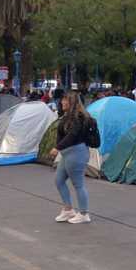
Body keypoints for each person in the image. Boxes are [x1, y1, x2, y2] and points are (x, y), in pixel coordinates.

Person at [47, 92, 93, 224]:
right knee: (59, 180)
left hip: (76, 153)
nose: (62, 102)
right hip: (68, 154)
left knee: (78, 184)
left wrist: (57, 148)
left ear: (71, 102)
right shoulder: (67, 116)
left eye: (65, 100)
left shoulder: (78, 118)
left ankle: (84, 213)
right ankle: (68, 210)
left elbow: (72, 135)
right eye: (62, 100)